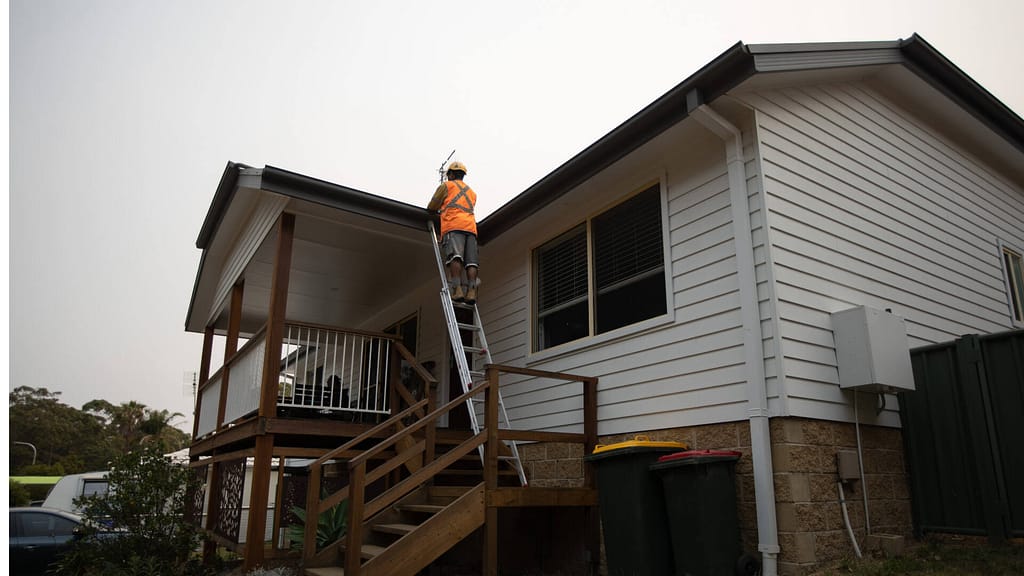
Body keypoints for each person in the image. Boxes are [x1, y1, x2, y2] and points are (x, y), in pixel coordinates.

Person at [428, 160, 480, 304]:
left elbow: (432, 206)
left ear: (450, 174)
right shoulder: (472, 193)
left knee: (455, 257)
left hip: (454, 225)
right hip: (470, 228)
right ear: (463, 175)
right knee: (471, 263)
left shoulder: (446, 186)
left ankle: (456, 290)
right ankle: (471, 292)